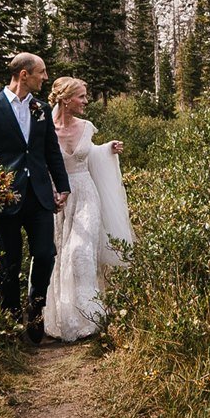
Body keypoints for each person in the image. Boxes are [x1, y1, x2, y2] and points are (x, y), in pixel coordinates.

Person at [0, 53, 70, 345]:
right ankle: (10, 319)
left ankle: (36, 307)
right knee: (9, 263)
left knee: (45, 253)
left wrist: (61, 186)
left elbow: (51, 151)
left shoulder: (41, 108)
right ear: (24, 75)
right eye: (42, 72)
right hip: (5, 199)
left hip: (39, 196)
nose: (46, 78)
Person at [41, 76, 136, 342]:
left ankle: (90, 317)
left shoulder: (86, 127)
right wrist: (51, 193)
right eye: (81, 96)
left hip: (86, 194)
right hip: (58, 197)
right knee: (60, 254)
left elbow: (89, 154)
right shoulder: (45, 127)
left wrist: (108, 149)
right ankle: (62, 318)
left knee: (81, 253)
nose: (86, 101)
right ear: (65, 99)